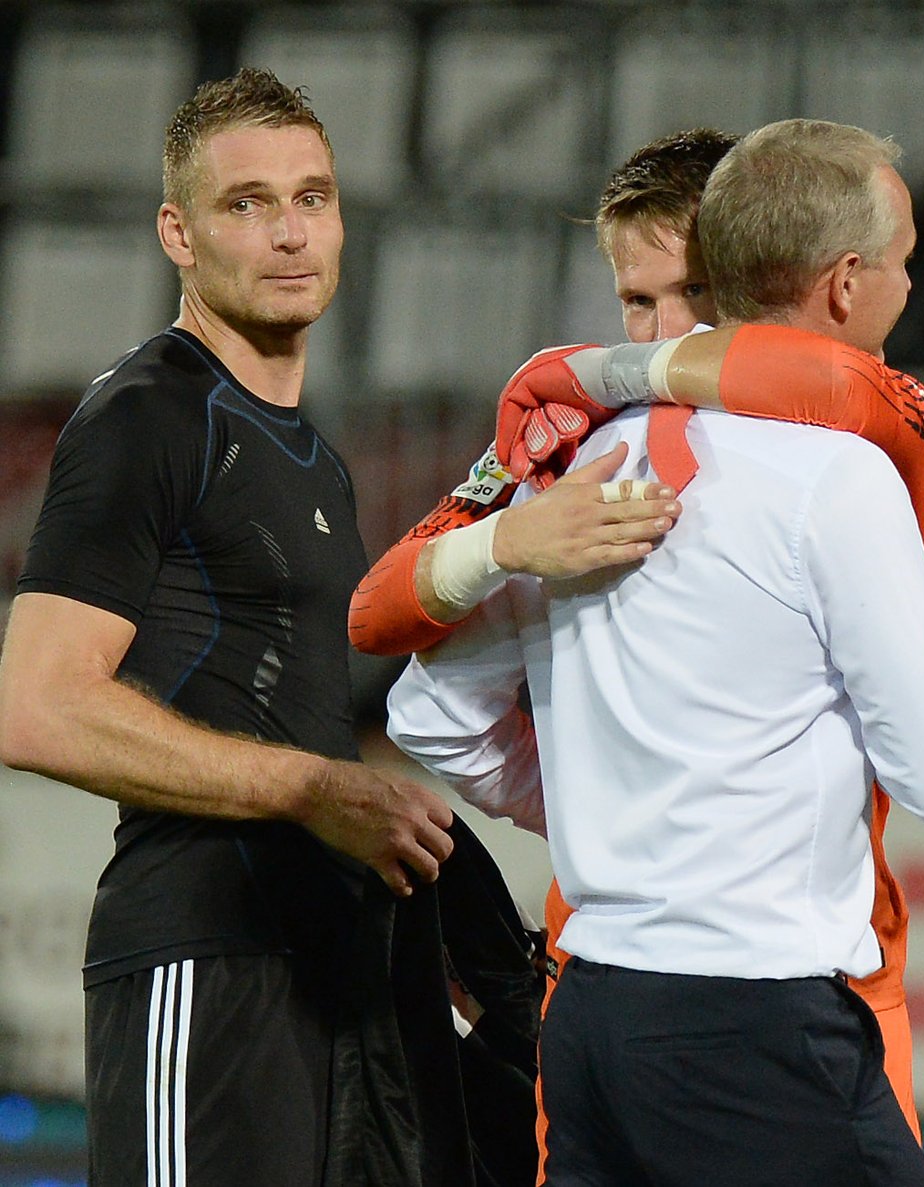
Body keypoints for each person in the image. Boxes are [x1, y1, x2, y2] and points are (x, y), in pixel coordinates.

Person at [385, 119, 924, 1185]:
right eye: (900, 264)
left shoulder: (564, 473)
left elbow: (427, 715)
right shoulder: (837, 478)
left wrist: (604, 792)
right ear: (840, 283)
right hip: (759, 1025)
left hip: (589, 1021)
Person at [0, 67, 541, 1187]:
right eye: (246, 203)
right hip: (197, 955)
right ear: (177, 233)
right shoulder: (147, 414)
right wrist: (308, 788)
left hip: (323, 967)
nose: (289, 233)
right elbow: (35, 705)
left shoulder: (313, 456)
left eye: (313, 196)